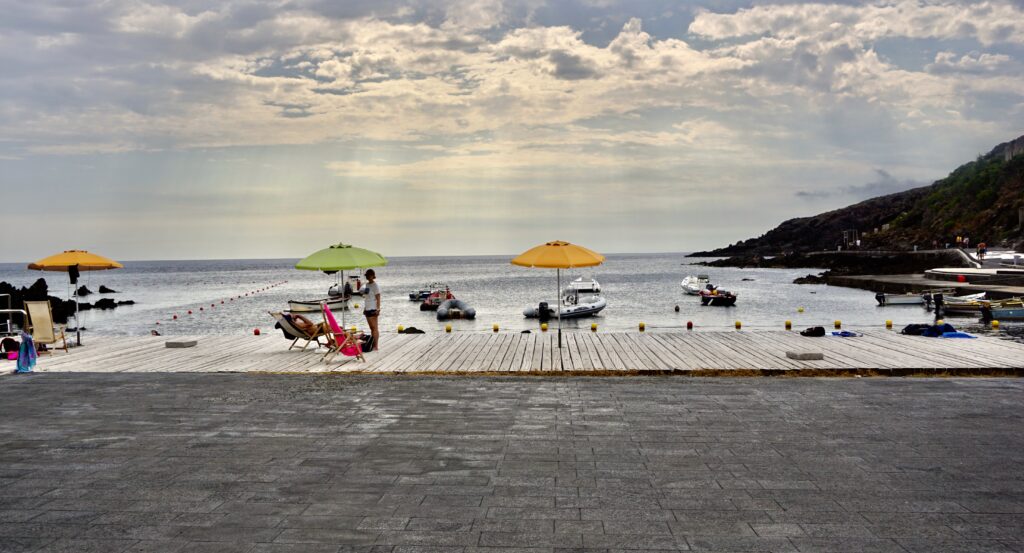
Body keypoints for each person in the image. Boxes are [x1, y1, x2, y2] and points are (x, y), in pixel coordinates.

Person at [362, 269, 381, 351]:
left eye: (369, 275)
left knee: (375, 328)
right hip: (367, 308)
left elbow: (378, 297)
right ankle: (373, 345)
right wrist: (364, 308)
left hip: (373, 308)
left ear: (373, 275)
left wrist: (378, 308)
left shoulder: (375, 285)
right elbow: (366, 297)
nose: (368, 276)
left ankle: (376, 346)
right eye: (367, 275)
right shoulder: (366, 285)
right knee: (371, 328)